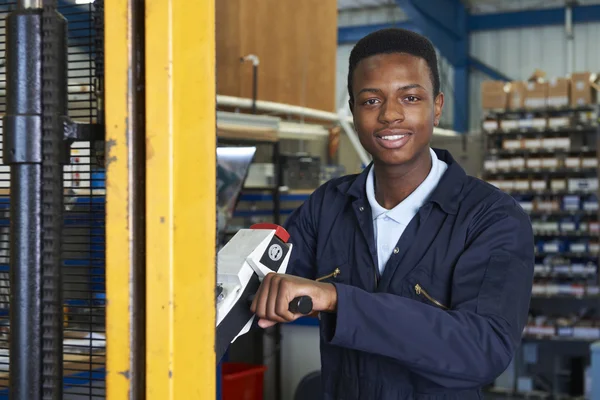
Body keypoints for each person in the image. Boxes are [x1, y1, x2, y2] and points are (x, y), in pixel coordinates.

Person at [250, 28, 534, 399]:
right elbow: (262, 280)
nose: (390, 115)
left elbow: (483, 349)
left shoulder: (492, 219)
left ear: (437, 106)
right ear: (353, 111)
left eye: (411, 97)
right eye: (371, 101)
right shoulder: (327, 205)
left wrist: (337, 299)